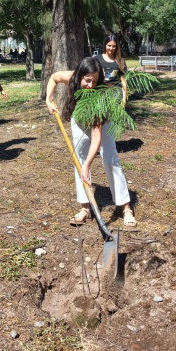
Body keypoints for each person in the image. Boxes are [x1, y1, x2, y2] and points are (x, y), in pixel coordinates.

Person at [46, 57, 136, 227]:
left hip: (100, 119)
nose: (90, 85)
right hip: (79, 117)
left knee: (110, 159)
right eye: (87, 80)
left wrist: (87, 164)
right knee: (78, 159)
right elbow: (54, 78)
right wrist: (48, 99)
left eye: (94, 81)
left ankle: (126, 208)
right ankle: (85, 208)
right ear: (80, 75)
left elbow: (97, 138)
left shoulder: (98, 96)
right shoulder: (72, 77)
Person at [94, 33, 127, 103]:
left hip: (115, 93)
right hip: (99, 92)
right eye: (109, 45)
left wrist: (124, 101)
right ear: (105, 45)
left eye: (114, 46)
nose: (111, 48)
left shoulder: (120, 61)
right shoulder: (97, 59)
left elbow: (123, 81)